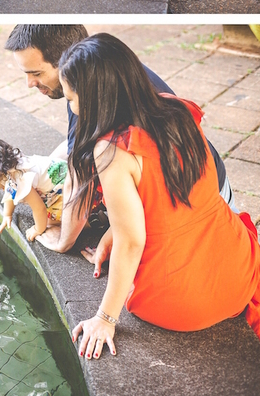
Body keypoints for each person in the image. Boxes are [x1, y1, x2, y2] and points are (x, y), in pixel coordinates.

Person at [59, 33, 260, 360]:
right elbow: (174, 198)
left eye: (71, 98)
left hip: (181, 299)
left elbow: (133, 242)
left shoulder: (111, 151)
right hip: (238, 267)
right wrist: (115, 230)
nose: (72, 107)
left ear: (97, 97)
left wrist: (105, 319)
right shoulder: (177, 109)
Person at [3, 24, 236, 254]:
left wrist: (63, 241)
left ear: (65, 60)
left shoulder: (88, 101)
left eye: (36, 73)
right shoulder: (110, 69)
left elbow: (79, 178)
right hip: (210, 185)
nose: (30, 83)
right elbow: (77, 149)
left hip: (193, 214)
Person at [0, 136, 66, 242]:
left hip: (66, 193)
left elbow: (39, 209)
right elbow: (11, 191)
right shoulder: (12, 166)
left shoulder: (21, 180)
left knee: (48, 222)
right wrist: (7, 214)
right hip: (63, 176)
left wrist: (38, 229)